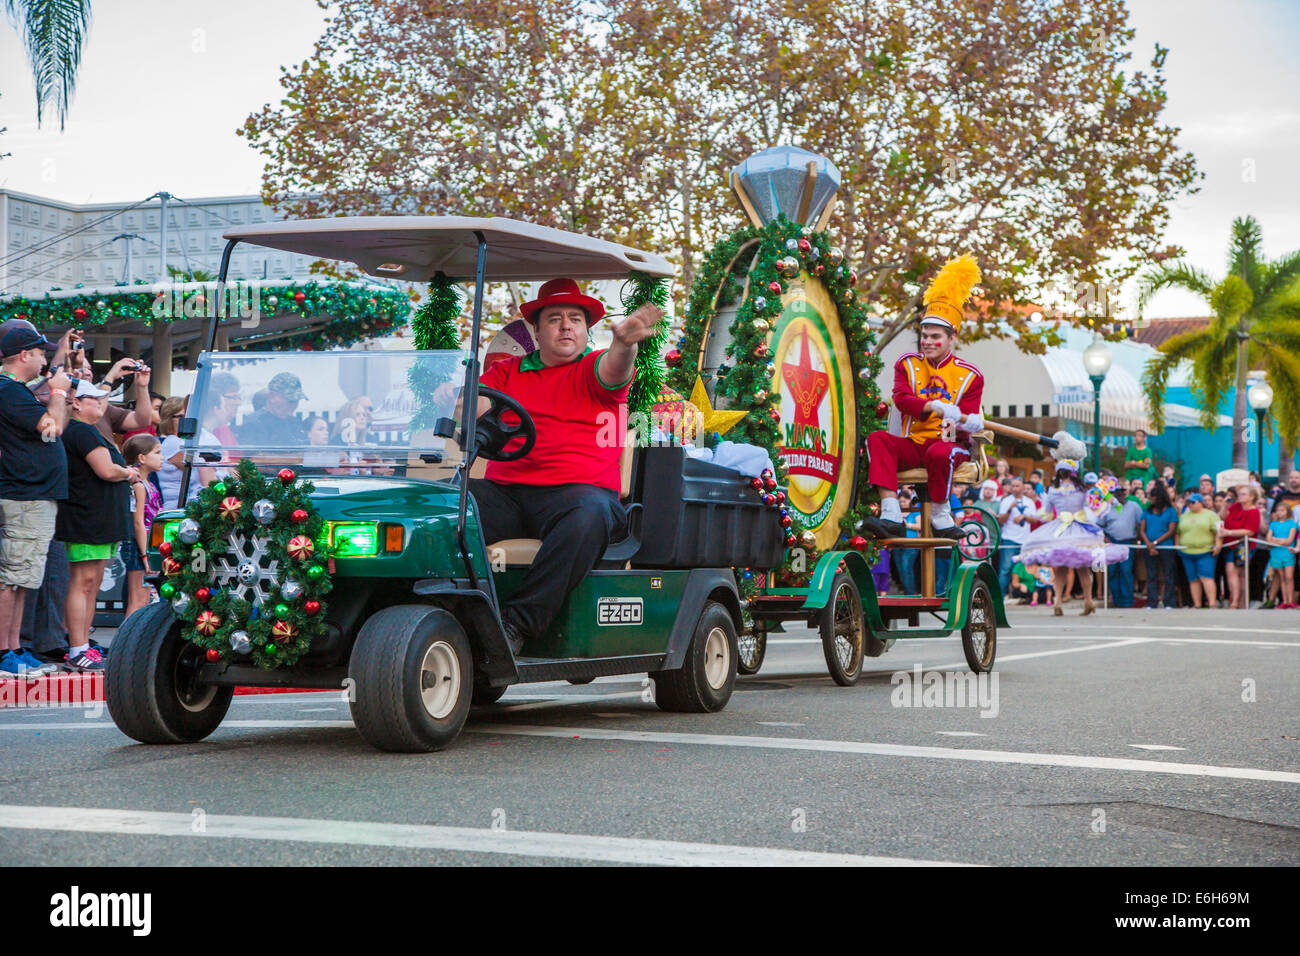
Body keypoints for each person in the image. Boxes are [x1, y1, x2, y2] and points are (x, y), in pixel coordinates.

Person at [467, 277, 661, 653]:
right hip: (508, 492)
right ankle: (442, 611)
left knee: (587, 515)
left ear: (587, 331)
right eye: (554, 318)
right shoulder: (507, 371)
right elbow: (475, 407)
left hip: (576, 496)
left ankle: (516, 626)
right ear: (536, 331)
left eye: (575, 318)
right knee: (451, 507)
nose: (566, 325)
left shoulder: (592, 367)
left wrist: (624, 345)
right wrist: (461, 400)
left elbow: (615, 370)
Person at [860, 256, 984, 541]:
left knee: (938, 451)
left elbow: (967, 423)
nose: (927, 341)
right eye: (924, 335)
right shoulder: (906, 363)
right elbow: (902, 400)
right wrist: (931, 406)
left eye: (935, 336)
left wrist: (953, 418)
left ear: (952, 338)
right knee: (878, 439)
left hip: (949, 444)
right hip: (912, 443)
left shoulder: (971, 375)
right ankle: (891, 513)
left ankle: (942, 514)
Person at [0, 324, 70, 678]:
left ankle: (14, 650)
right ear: (25, 355)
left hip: (31, 495)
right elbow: (51, 428)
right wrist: (57, 393)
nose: (45, 359)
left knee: (22, 578)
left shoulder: (14, 391)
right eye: (41, 352)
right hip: (26, 496)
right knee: (13, 579)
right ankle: (5, 654)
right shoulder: (9, 392)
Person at [57, 380, 141, 671]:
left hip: (99, 520)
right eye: (93, 399)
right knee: (83, 582)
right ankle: (77, 647)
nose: (100, 403)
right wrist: (128, 473)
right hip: (86, 519)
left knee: (91, 584)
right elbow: (106, 470)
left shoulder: (91, 432)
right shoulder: (80, 431)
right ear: (76, 403)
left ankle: (83, 645)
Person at [1016, 460, 1127, 617]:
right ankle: (1088, 601)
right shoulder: (1081, 489)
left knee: (1060, 568)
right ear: (1073, 472)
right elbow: (1093, 505)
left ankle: (1058, 602)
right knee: (1082, 568)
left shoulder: (1053, 491)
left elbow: (1046, 514)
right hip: (1079, 529)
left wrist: (1034, 515)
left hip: (1060, 529)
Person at [122, 434, 164, 619]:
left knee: (145, 599)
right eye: (157, 452)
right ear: (142, 458)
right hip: (140, 547)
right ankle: (126, 644)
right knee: (137, 600)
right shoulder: (139, 486)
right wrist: (146, 555)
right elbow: (139, 522)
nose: (162, 457)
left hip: (148, 546)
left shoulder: (150, 485)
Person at [1099, 484, 1143, 608]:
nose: (1120, 495)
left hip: (1128, 542)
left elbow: (1140, 524)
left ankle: (1127, 601)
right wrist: (1104, 537)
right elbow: (1099, 525)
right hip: (1112, 541)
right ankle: (1116, 599)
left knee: (1126, 571)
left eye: (1122, 492)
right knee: (1112, 572)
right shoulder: (1106, 507)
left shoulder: (1134, 507)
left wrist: (1138, 540)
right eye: (1117, 493)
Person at [236, 372, 308, 446]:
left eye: (297, 400)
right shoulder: (253, 424)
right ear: (272, 396)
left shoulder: (294, 423)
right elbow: (252, 456)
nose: (294, 405)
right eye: (291, 400)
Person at [1139, 480, 1180, 609]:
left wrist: (1156, 543)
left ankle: (1169, 602)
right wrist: (1149, 544)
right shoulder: (1147, 511)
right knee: (1151, 574)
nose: (1150, 499)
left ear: (1157, 498)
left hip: (1165, 546)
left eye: (1151, 497)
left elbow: (1171, 530)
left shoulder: (1171, 511)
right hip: (1149, 547)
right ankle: (1151, 602)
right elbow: (1142, 529)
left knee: (1168, 574)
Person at [1221, 484, 1262, 609]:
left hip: (1244, 546)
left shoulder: (1254, 511)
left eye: (1244, 494)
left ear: (1252, 497)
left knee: (1239, 573)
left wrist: (1229, 532)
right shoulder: (1236, 506)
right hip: (1230, 544)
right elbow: (1223, 517)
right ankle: (1236, 600)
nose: (1240, 496)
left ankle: (1240, 601)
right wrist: (1224, 505)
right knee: (1232, 573)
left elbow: (1250, 531)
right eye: (1240, 494)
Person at [1176, 493, 1220, 608]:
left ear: (1200, 503)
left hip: (1205, 551)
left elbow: (1218, 531)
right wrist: (1177, 546)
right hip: (1187, 552)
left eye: (1192, 502)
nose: (1190, 505)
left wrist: (1218, 545)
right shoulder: (1184, 516)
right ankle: (1197, 604)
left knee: (1206, 577)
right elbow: (1178, 532)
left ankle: (1212, 603)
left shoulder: (1211, 515)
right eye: (1188, 503)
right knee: (1193, 579)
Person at [996, 476, 1037, 595]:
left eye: (1017, 486)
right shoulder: (1006, 501)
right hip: (1010, 539)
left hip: (1025, 540)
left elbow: (1034, 520)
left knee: (1026, 568)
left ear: (1023, 486)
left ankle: (1027, 595)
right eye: (1012, 486)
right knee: (1006, 569)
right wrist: (1010, 510)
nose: (1014, 488)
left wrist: (1024, 517)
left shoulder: (1029, 501)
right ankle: (1000, 596)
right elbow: (1001, 521)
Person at [1263, 500, 1297, 609]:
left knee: (1289, 577)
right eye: (1278, 511)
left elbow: (1289, 540)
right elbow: (1268, 539)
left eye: (1282, 510)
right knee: (1281, 577)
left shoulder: (1293, 524)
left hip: (1287, 552)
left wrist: (1275, 540)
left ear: (1287, 512)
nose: (1279, 513)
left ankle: (1291, 600)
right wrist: (1279, 541)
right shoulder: (1273, 524)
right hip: (1275, 552)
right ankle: (1285, 601)